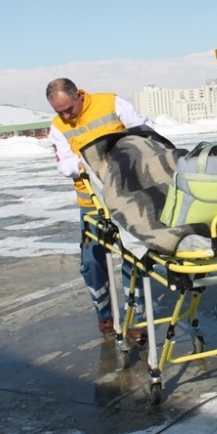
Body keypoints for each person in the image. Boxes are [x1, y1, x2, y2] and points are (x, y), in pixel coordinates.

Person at [47, 78, 151, 340]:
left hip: (128, 197)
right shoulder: (58, 126)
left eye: (68, 109)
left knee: (133, 256)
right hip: (91, 203)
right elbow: (64, 164)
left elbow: (145, 131)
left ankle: (136, 320)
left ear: (78, 95)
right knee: (92, 262)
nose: (65, 116)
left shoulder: (111, 103)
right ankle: (104, 315)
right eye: (59, 111)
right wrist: (89, 164)